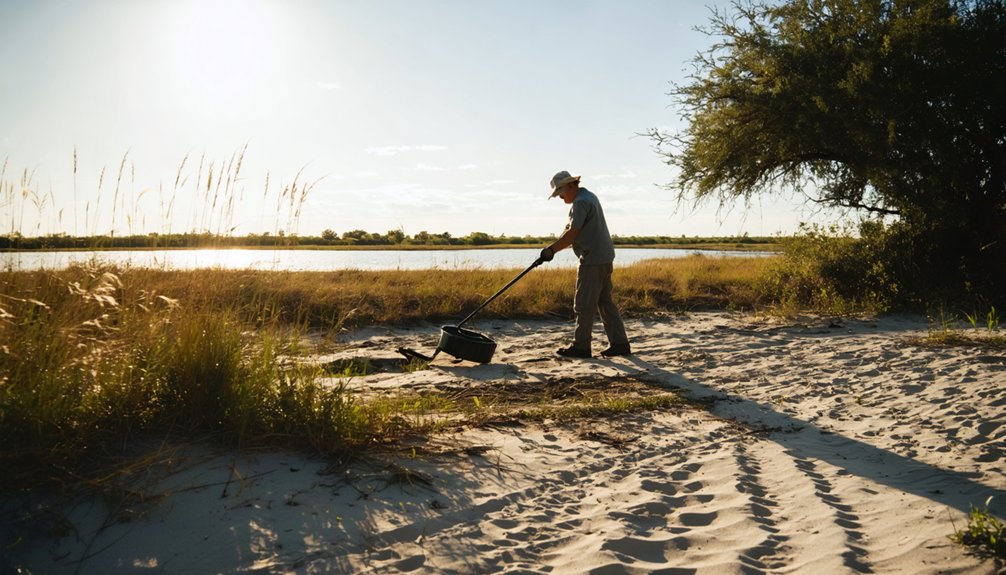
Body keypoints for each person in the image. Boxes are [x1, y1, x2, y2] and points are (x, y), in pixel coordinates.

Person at [538, 170, 631, 358]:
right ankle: (620, 344)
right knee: (605, 302)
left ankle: (581, 347)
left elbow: (573, 233)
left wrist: (551, 251)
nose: (560, 197)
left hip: (592, 259)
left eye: (560, 192)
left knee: (583, 305)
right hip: (604, 256)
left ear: (571, 185)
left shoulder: (580, 202)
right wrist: (553, 248)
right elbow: (570, 230)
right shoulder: (589, 197)